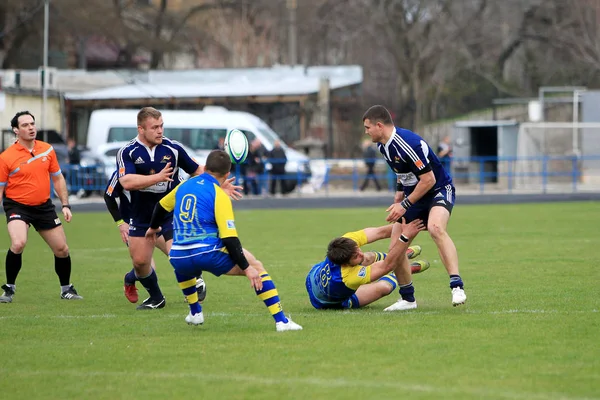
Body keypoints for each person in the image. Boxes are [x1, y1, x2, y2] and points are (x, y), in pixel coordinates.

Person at [145, 150, 302, 331]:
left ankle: (195, 312)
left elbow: (160, 206)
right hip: (207, 253)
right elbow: (229, 238)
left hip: (177, 256)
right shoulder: (219, 195)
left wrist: (153, 227)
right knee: (256, 266)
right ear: (227, 174)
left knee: (185, 262)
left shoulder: (185, 186)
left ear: (205, 168)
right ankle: (281, 321)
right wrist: (247, 268)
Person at [116, 107, 240, 310]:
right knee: (140, 263)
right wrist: (157, 177)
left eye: (161, 125)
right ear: (141, 129)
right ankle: (154, 296)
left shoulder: (173, 148)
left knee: (177, 254)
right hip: (140, 215)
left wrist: (217, 183)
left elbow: (198, 170)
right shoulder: (128, 152)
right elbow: (127, 181)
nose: (159, 131)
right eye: (154, 127)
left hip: (169, 213)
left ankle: (195, 286)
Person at [362, 105, 467, 310]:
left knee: (436, 228)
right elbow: (403, 172)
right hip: (413, 195)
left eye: (367, 127)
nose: (366, 132)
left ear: (380, 125)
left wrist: (405, 204)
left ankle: (457, 286)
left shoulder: (407, 143)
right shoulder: (383, 146)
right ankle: (408, 299)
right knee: (396, 248)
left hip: (438, 189)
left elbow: (428, 180)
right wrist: (399, 193)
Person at [0, 111, 82, 303]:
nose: (31, 128)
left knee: (62, 249)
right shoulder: (6, 157)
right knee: (18, 243)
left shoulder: (47, 149)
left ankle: (66, 289)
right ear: (16, 130)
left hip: (44, 206)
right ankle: (9, 289)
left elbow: (58, 178)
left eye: (32, 124)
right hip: (17, 206)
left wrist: (65, 204)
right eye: (25, 125)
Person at [103, 169, 208, 304]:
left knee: (177, 254)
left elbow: (183, 188)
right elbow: (108, 195)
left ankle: (196, 282)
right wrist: (121, 223)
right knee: (145, 266)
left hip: (161, 220)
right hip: (135, 224)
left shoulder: (165, 166)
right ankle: (132, 280)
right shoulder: (124, 173)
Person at [306, 221, 429, 310]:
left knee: (367, 257)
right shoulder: (348, 277)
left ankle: (402, 257)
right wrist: (405, 236)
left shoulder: (345, 242)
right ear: (344, 264)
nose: (360, 253)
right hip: (330, 302)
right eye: (355, 256)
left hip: (312, 277)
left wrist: (408, 226)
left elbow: (380, 232)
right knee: (384, 288)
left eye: (357, 249)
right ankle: (407, 268)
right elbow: (387, 265)